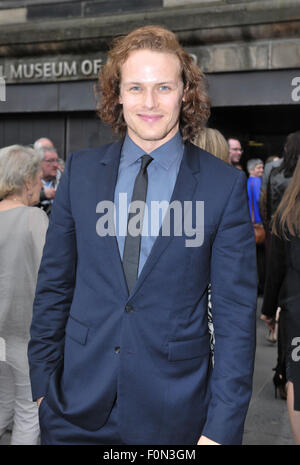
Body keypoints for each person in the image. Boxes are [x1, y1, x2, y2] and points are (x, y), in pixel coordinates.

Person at [28, 25, 257, 446]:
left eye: (163, 87)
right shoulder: (79, 174)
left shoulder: (222, 187)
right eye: (135, 87)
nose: (149, 103)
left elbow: (235, 320)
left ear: (185, 92)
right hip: (72, 412)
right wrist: (42, 390)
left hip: (177, 418)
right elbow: (53, 290)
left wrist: (221, 429)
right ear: (117, 94)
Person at [0, 145, 48, 445]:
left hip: (0, 338)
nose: (42, 185)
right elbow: (52, 276)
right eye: (40, 178)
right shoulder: (34, 218)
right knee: (29, 412)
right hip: (24, 336)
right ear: (27, 180)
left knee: (3, 402)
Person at [261, 157, 300, 444]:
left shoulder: (287, 215)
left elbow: (275, 270)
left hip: (295, 310)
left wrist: (268, 309)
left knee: (297, 378)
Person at [247, 158, 265, 295]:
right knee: (261, 259)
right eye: (259, 168)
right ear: (251, 170)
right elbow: (259, 200)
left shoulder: (246, 182)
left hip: (248, 224)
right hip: (258, 224)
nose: (262, 170)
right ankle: (261, 286)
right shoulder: (258, 182)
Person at [34, 137, 60, 216]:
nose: (56, 165)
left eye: (56, 160)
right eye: (50, 161)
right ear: (38, 162)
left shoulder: (64, 178)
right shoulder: (29, 181)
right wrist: (43, 195)